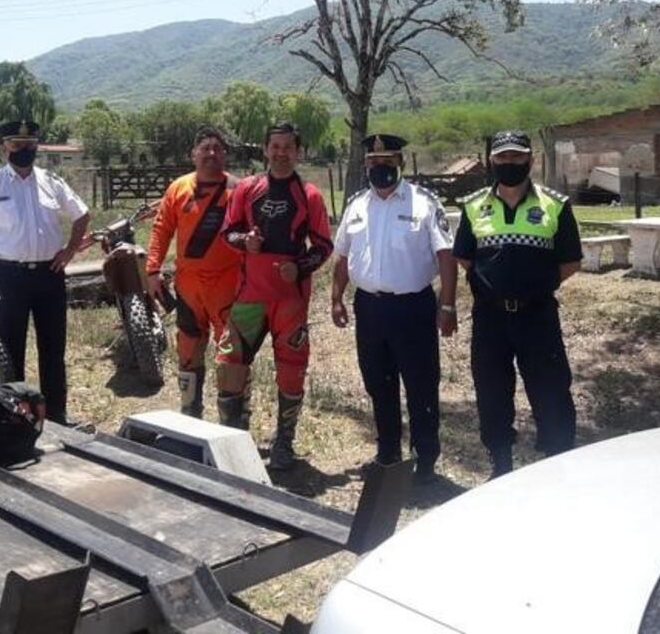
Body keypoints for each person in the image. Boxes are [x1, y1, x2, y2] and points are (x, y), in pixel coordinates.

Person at [452, 129, 582, 479]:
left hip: (537, 316)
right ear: (492, 160)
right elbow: (464, 256)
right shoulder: (475, 205)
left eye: (516, 156)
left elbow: (570, 262)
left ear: (530, 159)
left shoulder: (555, 204)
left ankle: (557, 463)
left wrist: (533, 285)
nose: (509, 162)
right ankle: (501, 463)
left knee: (551, 388)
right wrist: (494, 283)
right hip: (490, 318)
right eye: (502, 157)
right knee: (492, 389)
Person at [330, 134, 458, 484]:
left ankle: (425, 460)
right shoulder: (356, 204)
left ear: (400, 162)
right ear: (365, 165)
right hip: (369, 308)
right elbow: (342, 255)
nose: (379, 168)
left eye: (387, 161)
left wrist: (447, 305)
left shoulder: (424, 202)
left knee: (420, 384)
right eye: (373, 162)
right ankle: (388, 454)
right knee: (378, 383)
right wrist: (336, 297)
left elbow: (446, 256)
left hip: (413, 308)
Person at [0, 120, 89, 425]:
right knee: (9, 348)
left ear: (37, 146)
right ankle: (14, 413)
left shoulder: (51, 182)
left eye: (29, 144)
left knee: (53, 347)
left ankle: (57, 413)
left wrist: (70, 250)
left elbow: (82, 214)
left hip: (50, 274)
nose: (23, 149)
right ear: (3, 148)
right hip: (8, 276)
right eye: (16, 144)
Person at [216, 122, 333, 470]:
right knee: (228, 367)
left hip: (290, 300)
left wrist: (300, 267)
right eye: (275, 146)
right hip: (250, 295)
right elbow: (228, 232)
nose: (281, 153)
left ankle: (284, 443)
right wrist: (244, 242)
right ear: (266, 150)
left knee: (291, 373)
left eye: (288, 147)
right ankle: (234, 438)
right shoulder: (247, 189)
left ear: (298, 152)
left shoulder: (309, 194)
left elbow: (324, 245)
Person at [146, 127, 240, 418]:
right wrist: (152, 270)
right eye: (205, 148)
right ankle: (190, 415)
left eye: (217, 148)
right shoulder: (178, 188)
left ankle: (233, 422)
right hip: (189, 287)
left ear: (225, 154)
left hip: (229, 285)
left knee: (232, 357)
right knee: (187, 351)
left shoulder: (240, 190)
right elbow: (161, 230)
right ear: (194, 154)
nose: (211, 153)